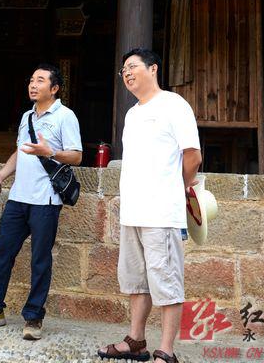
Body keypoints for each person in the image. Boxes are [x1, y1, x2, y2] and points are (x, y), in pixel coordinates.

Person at [0, 63, 82, 341]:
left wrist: (50, 152)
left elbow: (76, 156)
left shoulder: (65, 116)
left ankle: (34, 316)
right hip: (18, 198)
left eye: (40, 80)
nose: (33, 84)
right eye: (31, 80)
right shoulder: (27, 116)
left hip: (46, 200)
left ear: (54, 88)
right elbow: (20, 152)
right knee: (2, 254)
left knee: (40, 260)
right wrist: (0, 176)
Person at [97, 49, 201, 363]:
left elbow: (193, 156)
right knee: (136, 281)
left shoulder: (174, 104)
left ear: (153, 68)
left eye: (133, 66)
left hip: (161, 213)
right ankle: (136, 341)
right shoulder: (132, 114)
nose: (127, 73)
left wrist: (176, 189)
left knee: (166, 281)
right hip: (132, 212)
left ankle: (166, 351)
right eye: (123, 70)